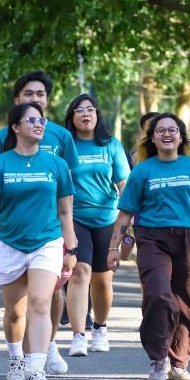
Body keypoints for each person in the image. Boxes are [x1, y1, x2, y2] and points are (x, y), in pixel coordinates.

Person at [106, 112, 190, 380]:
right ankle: (158, 358)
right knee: (159, 295)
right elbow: (125, 213)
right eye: (160, 130)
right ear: (152, 138)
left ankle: (179, 361)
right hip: (152, 236)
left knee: (188, 299)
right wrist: (114, 248)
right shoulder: (142, 170)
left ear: (181, 137)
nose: (167, 134)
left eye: (173, 130)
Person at [0, 70, 78, 376]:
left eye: (41, 120)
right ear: (15, 126)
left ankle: (36, 369)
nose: (39, 124)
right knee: (14, 311)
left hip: (47, 239)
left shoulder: (57, 161)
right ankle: (16, 360)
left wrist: (71, 246)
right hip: (9, 239)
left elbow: (66, 210)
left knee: (40, 301)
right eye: (31, 120)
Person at [63, 94, 130, 356]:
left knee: (102, 282)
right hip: (75, 217)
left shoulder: (111, 145)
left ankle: (100, 328)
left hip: (107, 219)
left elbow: (124, 185)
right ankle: (78, 335)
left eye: (90, 110)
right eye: (79, 110)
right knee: (80, 273)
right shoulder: (66, 147)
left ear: (97, 115)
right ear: (72, 118)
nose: (85, 114)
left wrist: (127, 225)